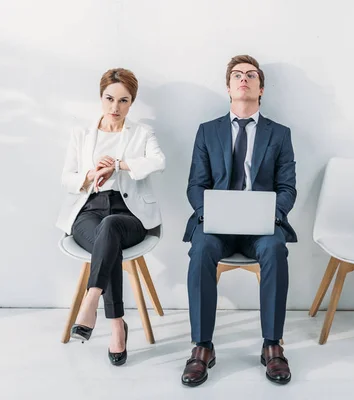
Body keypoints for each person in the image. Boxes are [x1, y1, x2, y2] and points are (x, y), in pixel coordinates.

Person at [181, 55, 297, 386]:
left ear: (261, 88)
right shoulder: (208, 131)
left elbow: (287, 188)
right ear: (228, 88)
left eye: (250, 75)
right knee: (200, 249)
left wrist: (269, 216)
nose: (243, 79)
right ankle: (202, 347)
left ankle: (272, 344)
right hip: (216, 224)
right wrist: (209, 214)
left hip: (260, 227)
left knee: (276, 250)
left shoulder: (280, 134)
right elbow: (195, 185)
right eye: (236, 75)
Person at [57, 68, 165, 366]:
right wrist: (90, 174)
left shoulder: (142, 133)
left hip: (129, 214)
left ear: (132, 103)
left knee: (111, 228)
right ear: (101, 96)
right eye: (109, 99)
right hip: (88, 212)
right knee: (107, 238)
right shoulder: (81, 134)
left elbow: (159, 161)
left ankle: (91, 302)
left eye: (123, 101)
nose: (115, 108)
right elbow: (66, 178)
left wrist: (118, 164)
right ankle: (117, 324)